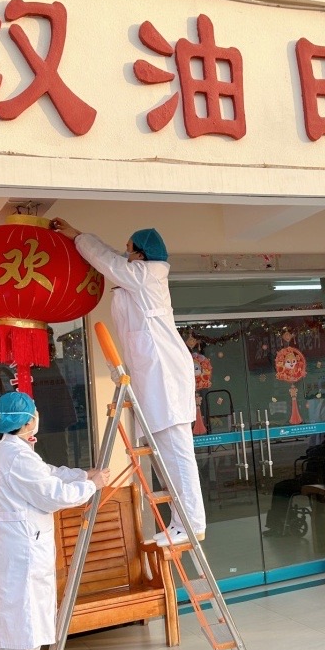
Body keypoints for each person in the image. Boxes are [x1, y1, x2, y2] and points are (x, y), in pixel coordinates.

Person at [50, 217, 205, 547]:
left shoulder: (147, 274)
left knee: (178, 456)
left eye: (130, 249)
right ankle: (182, 522)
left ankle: (191, 523)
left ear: (141, 254)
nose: (125, 254)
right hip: (153, 377)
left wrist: (78, 238)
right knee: (166, 456)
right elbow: (112, 257)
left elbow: (108, 261)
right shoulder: (139, 273)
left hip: (165, 376)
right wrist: (78, 234)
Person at [0, 391, 109, 650]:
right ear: (28, 421)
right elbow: (54, 495)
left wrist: (82, 474)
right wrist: (92, 485)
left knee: (12, 635)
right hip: (23, 557)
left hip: (15, 554)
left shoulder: (10, 451)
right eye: (34, 413)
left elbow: (48, 473)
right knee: (24, 634)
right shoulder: (17, 457)